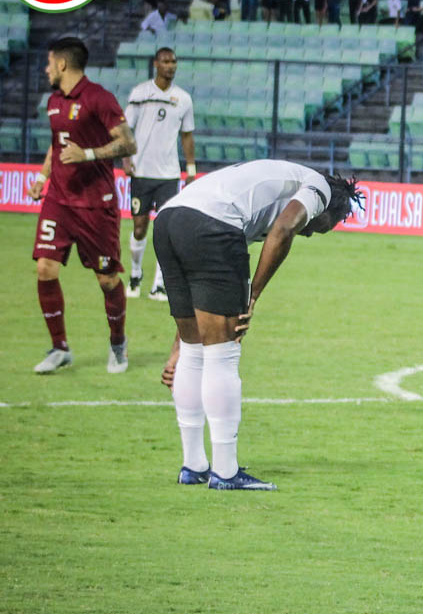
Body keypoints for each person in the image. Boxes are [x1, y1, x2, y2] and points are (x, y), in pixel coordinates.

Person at [154, 161, 361, 490]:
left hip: (169, 220)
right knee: (224, 353)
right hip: (210, 224)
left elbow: (202, 303)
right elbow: (284, 230)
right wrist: (252, 297)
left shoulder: (257, 195)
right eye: (324, 227)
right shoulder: (319, 188)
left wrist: (176, 348)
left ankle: (193, 466)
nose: (314, 232)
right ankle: (225, 472)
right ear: (331, 209)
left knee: (194, 351)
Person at [26, 37, 137, 375]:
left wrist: (88, 154)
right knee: (45, 268)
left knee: (106, 279)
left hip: (95, 204)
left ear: (62, 64)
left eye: (49, 63)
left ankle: (118, 343)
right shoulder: (54, 101)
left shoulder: (98, 98)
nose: (46, 69)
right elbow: (57, 145)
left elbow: (128, 143)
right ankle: (60, 347)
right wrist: (43, 178)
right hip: (59, 200)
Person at [123, 48, 196, 301]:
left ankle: (160, 284)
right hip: (142, 173)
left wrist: (191, 168)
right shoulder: (140, 93)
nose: (171, 65)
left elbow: (187, 135)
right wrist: (126, 158)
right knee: (140, 227)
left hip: (168, 175)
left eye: (174, 61)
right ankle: (135, 274)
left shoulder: (183, 99)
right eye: (165, 61)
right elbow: (126, 128)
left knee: (165, 230)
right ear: (156, 64)